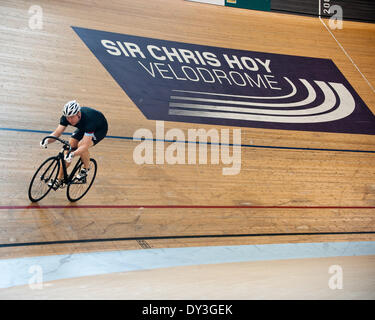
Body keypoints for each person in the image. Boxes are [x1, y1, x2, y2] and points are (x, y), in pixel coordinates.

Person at [40, 100, 108, 189]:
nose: (70, 120)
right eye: (68, 117)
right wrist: (47, 140)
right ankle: (59, 179)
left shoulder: (90, 120)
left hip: (99, 129)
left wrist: (73, 154)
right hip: (83, 128)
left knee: (81, 145)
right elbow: (57, 133)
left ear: (78, 114)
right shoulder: (66, 118)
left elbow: (85, 145)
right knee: (69, 148)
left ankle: (86, 169)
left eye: (72, 117)